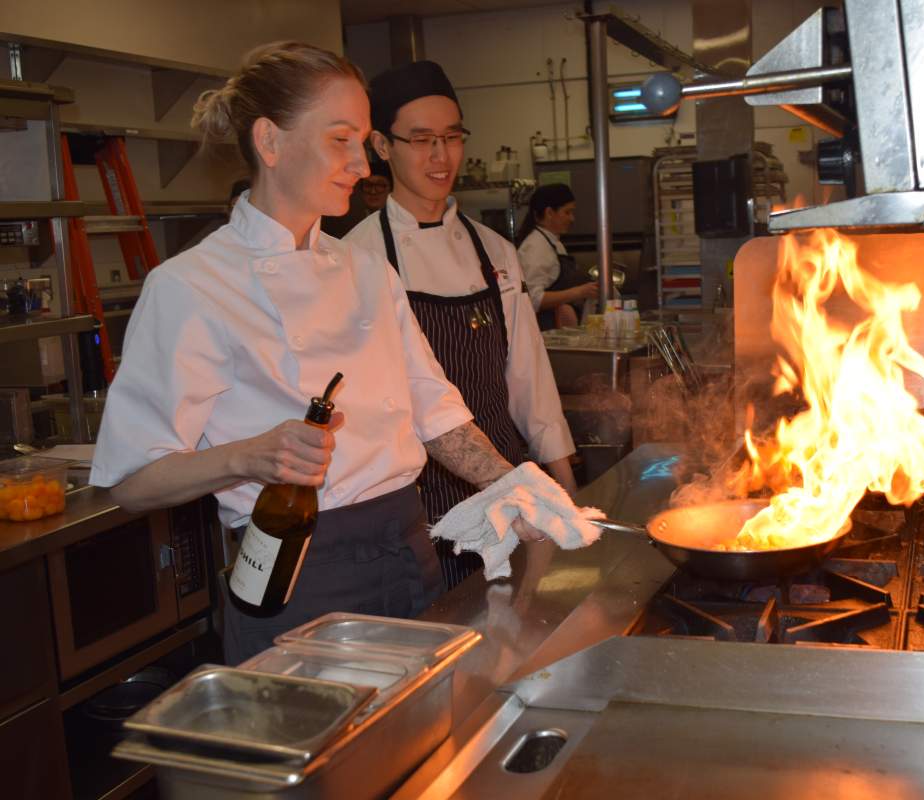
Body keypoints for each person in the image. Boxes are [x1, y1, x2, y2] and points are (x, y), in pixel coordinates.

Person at [88, 42, 551, 665]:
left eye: (362, 141)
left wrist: (522, 489)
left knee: (429, 748)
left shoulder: (367, 271)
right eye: (342, 140)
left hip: (406, 548)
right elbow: (131, 482)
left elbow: (434, 409)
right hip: (297, 572)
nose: (362, 165)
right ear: (271, 143)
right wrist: (249, 456)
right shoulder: (192, 286)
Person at [345, 61, 578, 588]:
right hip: (415, 502)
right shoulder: (357, 258)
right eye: (422, 140)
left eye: (452, 138)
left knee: (514, 637)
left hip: (505, 483)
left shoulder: (493, 250)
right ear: (382, 146)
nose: (441, 156)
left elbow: (528, 379)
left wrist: (565, 489)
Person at [515, 183, 598, 329]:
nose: (572, 218)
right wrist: (579, 292)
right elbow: (533, 299)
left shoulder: (554, 243)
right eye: (567, 212)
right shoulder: (534, 248)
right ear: (549, 213)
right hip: (544, 332)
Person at [322, 158, 391, 238]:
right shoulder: (346, 223)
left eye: (379, 186)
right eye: (368, 185)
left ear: (389, 189)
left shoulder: (396, 222)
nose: (373, 192)